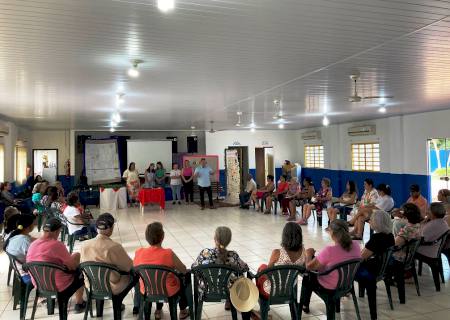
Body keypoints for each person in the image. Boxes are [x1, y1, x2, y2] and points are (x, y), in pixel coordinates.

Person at [80, 213, 140, 314]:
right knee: (137, 276)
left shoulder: (84, 245)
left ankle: (100, 311)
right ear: (111, 228)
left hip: (91, 285)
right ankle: (137, 307)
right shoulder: (114, 247)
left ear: (96, 227)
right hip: (112, 287)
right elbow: (129, 267)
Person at [26, 217, 86, 313]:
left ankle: (50, 302)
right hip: (58, 285)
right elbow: (72, 267)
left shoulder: (33, 244)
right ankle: (79, 303)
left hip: (39, 284)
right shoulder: (56, 245)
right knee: (79, 272)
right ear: (56, 231)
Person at [300, 219, 361, 313]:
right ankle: (306, 304)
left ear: (332, 233)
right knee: (315, 267)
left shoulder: (329, 250)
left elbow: (309, 267)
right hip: (347, 284)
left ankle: (304, 305)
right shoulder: (356, 245)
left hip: (330, 286)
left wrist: (308, 253)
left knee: (307, 275)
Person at [134, 222, 190, 320]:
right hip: (168, 291)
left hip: (147, 290)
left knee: (154, 280)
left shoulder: (139, 252)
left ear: (147, 237)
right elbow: (184, 270)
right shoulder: (168, 253)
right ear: (162, 237)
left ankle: (158, 311)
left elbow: (134, 269)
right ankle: (183, 310)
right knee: (186, 276)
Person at [192, 226, 249, 312]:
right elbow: (245, 268)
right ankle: (229, 300)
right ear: (229, 240)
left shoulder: (204, 253)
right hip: (229, 291)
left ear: (214, 238)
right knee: (234, 277)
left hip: (206, 290)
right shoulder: (233, 255)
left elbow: (193, 268)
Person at [355, 210, 394, 320]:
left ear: (377, 222)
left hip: (372, 271)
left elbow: (361, 257)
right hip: (383, 268)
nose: (369, 221)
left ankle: (344, 290)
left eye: (371, 220)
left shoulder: (376, 238)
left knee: (344, 268)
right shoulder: (390, 235)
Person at [256, 222, 306, 298]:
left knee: (263, 267)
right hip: (292, 288)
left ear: (284, 236)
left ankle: (264, 306)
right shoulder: (303, 251)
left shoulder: (277, 253)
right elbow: (304, 269)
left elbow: (268, 273)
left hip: (274, 291)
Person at [390, 203, 421, 304]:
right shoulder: (417, 225)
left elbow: (394, 245)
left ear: (405, 215)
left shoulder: (407, 229)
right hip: (410, 257)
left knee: (373, 256)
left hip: (400, 258)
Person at [4, 214, 36, 284]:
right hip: (24, 271)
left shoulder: (14, 236)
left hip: (17, 266)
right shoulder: (25, 241)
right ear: (28, 227)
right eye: (33, 223)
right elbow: (35, 259)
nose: (34, 225)